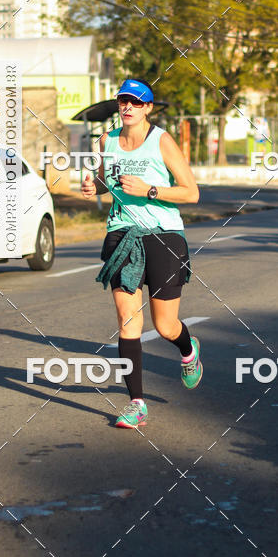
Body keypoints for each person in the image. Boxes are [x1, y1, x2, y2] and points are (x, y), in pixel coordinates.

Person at [81, 77, 201, 429]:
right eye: (123, 101)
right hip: (122, 235)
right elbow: (105, 180)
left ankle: (188, 349)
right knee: (127, 319)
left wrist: (150, 190)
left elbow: (191, 193)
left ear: (148, 108)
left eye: (136, 102)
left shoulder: (161, 141)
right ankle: (136, 403)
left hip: (163, 235)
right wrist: (94, 186)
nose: (128, 107)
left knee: (165, 325)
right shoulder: (108, 140)